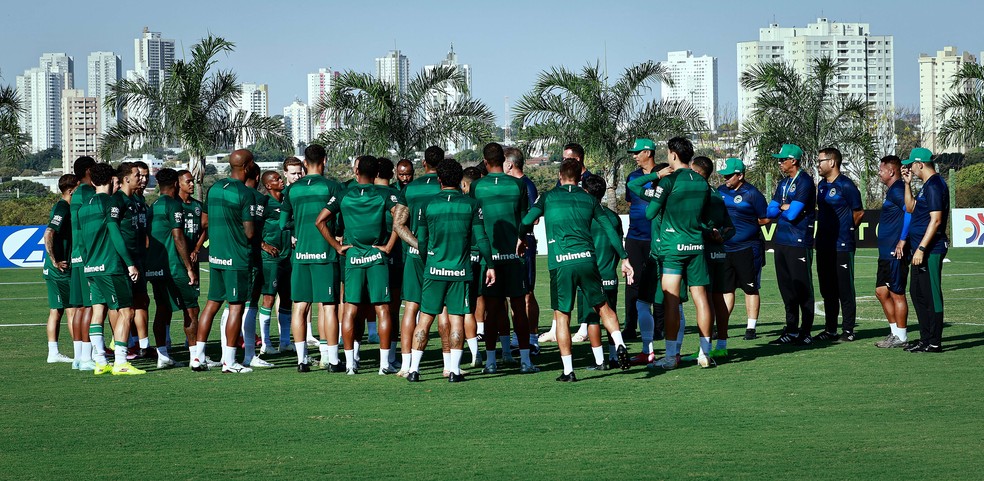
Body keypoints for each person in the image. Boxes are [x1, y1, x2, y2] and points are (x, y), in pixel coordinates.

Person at [520, 159, 633, 382]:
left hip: (561, 262)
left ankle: (568, 370)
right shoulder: (589, 199)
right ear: (579, 177)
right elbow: (610, 229)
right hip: (587, 260)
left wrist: (521, 237)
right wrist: (624, 257)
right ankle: (619, 343)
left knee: (562, 315)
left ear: (560, 176)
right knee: (602, 306)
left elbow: (526, 220)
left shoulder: (549, 197)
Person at [316, 155, 410, 375]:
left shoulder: (344, 194)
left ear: (356, 171)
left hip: (353, 257)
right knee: (383, 309)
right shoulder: (383, 194)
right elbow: (401, 219)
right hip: (376, 256)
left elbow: (319, 221)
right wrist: (388, 246)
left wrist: (337, 247)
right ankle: (384, 364)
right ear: (377, 172)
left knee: (350, 310)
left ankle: (350, 364)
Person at [405, 159, 495, 382]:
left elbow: (422, 242)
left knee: (424, 319)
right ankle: (454, 371)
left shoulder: (429, 205)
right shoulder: (471, 205)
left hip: (434, 270)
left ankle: (414, 370)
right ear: (459, 179)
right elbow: (481, 239)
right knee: (456, 320)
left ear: (439, 180)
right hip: (459, 271)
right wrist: (490, 265)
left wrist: (429, 262)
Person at [636, 138, 716, 368]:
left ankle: (671, 356)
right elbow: (705, 217)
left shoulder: (669, 181)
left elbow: (651, 213)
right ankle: (704, 353)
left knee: (671, 301)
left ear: (672, 155)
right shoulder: (701, 182)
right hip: (696, 246)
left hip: (673, 247)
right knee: (701, 299)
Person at [470, 142, 537, 374]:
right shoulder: (518, 184)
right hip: (514, 256)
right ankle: (526, 361)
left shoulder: (477, 186)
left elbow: (475, 222)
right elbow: (524, 219)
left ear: (486, 162)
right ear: (503, 160)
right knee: (518, 307)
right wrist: (521, 238)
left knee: (491, 309)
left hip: (489, 258)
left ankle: (490, 362)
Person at [279, 144, 345, 372]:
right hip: (325, 254)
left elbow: (282, 223)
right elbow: (341, 218)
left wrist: (298, 230)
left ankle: (301, 361)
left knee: (299, 306)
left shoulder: (292, 190)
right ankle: (332, 360)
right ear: (325, 160)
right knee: (328, 306)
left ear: (305, 164)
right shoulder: (332, 186)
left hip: (301, 255)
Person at [192, 149, 256, 373]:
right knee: (236, 307)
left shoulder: (215, 188)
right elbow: (249, 233)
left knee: (211, 304)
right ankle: (229, 360)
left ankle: (197, 357)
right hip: (236, 257)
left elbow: (205, 222)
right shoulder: (245, 193)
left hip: (216, 256)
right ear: (247, 167)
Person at [79, 163, 142, 375]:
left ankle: (99, 361)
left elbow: (81, 242)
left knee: (98, 312)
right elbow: (114, 232)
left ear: (94, 181)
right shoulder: (110, 202)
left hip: (91, 267)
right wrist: (130, 263)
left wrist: (88, 263)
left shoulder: (83, 206)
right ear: (111, 180)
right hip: (110, 266)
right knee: (126, 311)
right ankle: (121, 362)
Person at [393, 146, 445, 376]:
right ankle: (448, 365)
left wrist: (417, 245)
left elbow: (398, 224)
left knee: (411, 308)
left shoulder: (411, 189)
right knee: (443, 309)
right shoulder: (446, 187)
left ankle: (405, 365)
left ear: (424, 164)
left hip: (415, 257)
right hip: (441, 255)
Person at [146, 168, 200, 368]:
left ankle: (163, 356)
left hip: (155, 267)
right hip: (174, 267)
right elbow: (178, 237)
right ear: (176, 184)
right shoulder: (173, 205)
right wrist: (189, 267)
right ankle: (195, 357)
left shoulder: (153, 206)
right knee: (191, 308)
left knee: (162, 309)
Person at [766, 144, 817, 345]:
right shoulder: (784, 183)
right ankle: (791, 329)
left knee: (802, 287)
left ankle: (806, 332)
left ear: (793, 161)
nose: (779, 163)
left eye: (782, 159)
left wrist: (783, 208)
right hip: (781, 240)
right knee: (786, 288)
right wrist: (782, 207)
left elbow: (793, 214)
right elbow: (770, 212)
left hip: (798, 241)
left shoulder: (804, 181)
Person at [814, 147, 864, 342]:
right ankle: (830, 329)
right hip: (823, 245)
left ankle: (849, 330)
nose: (818, 164)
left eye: (820, 161)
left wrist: (844, 231)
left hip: (842, 245)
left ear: (832, 162)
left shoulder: (846, 185)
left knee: (844, 288)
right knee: (827, 289)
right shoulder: (821, 186)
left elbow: (858, 213)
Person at [716, 158, 769, 340]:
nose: (726, 179)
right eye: (725, 175)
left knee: (750, 288)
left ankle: (751, 328)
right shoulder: (720, 191)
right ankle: (722, 325)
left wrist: (749, 223)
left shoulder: (752, 193)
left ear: (740, 175)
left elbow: (766, 218)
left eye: (730, 176)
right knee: (726, 289)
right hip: (725, 248)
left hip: (748, 248)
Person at [902, 148, 949, 353]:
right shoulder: (926, 186)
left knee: (931, 295)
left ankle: (934, 341)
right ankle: (924, 338)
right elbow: (911, 207)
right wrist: (907, 184)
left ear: (920, 164)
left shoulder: (934, 185)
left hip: (930, 249)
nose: (910, 167)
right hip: (919, 249)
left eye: (912, 164)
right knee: (917, 293)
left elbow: (936, 220)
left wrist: (921, 248)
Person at [689, 157, 734, 359]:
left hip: (704, 250)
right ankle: (722, 345)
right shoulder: (717, 194)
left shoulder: (699, 193)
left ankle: (704, 350)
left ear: (698, 173)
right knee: (719, 298)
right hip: (720, 251)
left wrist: (709, 233)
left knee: (704, 300)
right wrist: (720, 235)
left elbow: (692, 222)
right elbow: (730, 227)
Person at [579, 175, 624, 370]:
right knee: (611, 315)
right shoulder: (613, 217)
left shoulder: (584, 216)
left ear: (586, 192)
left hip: (590, 275)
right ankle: (614, 356)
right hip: (609, 274)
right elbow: (617, 243)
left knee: (592, 318)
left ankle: (600, 361)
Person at [623, 138, 660, 362]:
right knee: (632, 282)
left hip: (656, 238)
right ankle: (630, 326)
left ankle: (661, 327)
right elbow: (631, 202)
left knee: (659, 284)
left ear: (648, 152)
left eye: (637, 152)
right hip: (635, 237)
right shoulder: (633, 177)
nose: (634, 156)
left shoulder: (664, 172)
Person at [504, 146, 541, 355]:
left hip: (524, 243)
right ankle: (518, 338)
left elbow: (534, 218)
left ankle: (532, 339)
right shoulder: (512, 184)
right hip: (511, 244)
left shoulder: (526, 185)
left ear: (509, 164)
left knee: (526, 292)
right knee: (513, 294)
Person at [112, 162, 151, 358]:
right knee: (121, 307)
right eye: (138, 175)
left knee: (141, 301)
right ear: (126, 178)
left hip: (138, 260)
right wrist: (128, 262)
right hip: (122, 263)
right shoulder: (117, 201)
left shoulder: (136, 201)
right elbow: (115, 233)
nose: (142, 179)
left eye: (144, 176)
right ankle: (122, 349)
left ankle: (142, 345)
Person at [874, 155, 911, 348]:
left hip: (894, 251)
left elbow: (910, 210)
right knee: (881, 292)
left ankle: (902, 336)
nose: (879, 173)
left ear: (891, 171)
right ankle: (894, 332)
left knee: (897, 293)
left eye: (881, 169)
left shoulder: (898, 190)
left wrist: (902, 241)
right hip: (885, 252)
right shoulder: (892, 191)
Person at [257, 170, 294, 355]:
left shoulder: (287, 200)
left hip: (288, 256)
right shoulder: (264, 203)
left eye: (281, 178)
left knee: (287, 298)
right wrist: (263, 245)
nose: (281, 181)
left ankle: (285, 341)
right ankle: (265, 343)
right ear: (268, 185)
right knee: (269, 298)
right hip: (270, 258)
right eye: (277, 179)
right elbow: (251, 227)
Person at [42, 174, 78, 364]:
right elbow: (49, 233)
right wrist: (55, 260)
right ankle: (80, 353)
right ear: (71, 190)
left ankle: (53, 352)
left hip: (53, 269)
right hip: (60, 269)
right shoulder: (63, 207)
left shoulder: (64, 207)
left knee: (56, 311)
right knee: (72, 309)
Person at [374, 158, 403, 367]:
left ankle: (352, 359)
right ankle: (390, 357)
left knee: (354, 307)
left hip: (360, 256)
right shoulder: (396, 196)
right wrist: (391, 245)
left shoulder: (356, 192)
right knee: (391, 308)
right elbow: (399, 222)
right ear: (392, 174)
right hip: (391, 257)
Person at [68, 156, 96, 370]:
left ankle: (78, 357)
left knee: (78, 308)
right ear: (88, 170)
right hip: (87, 256)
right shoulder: (87, 192)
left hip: (76, 256)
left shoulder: (76, 193)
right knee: (88, 307)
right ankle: (86, 357)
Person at [176, 170, 205, 348]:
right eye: (188, 182)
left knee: (193, 306)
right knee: (168, 307)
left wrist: (196, 248)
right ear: (178, 184)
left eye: (193, 181)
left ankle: (191, 342)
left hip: (193, 262)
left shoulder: (197, 206)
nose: (192, 184)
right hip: (178, 262)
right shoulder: (174, 205)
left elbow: (204, 228)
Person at [460, 166, 486, 366]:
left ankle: (454, 359)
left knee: (456, 309)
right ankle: (479, 344)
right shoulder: (482, 202)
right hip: (481, 257)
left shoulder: (466, 204)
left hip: (459, 259)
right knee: (479, 297)